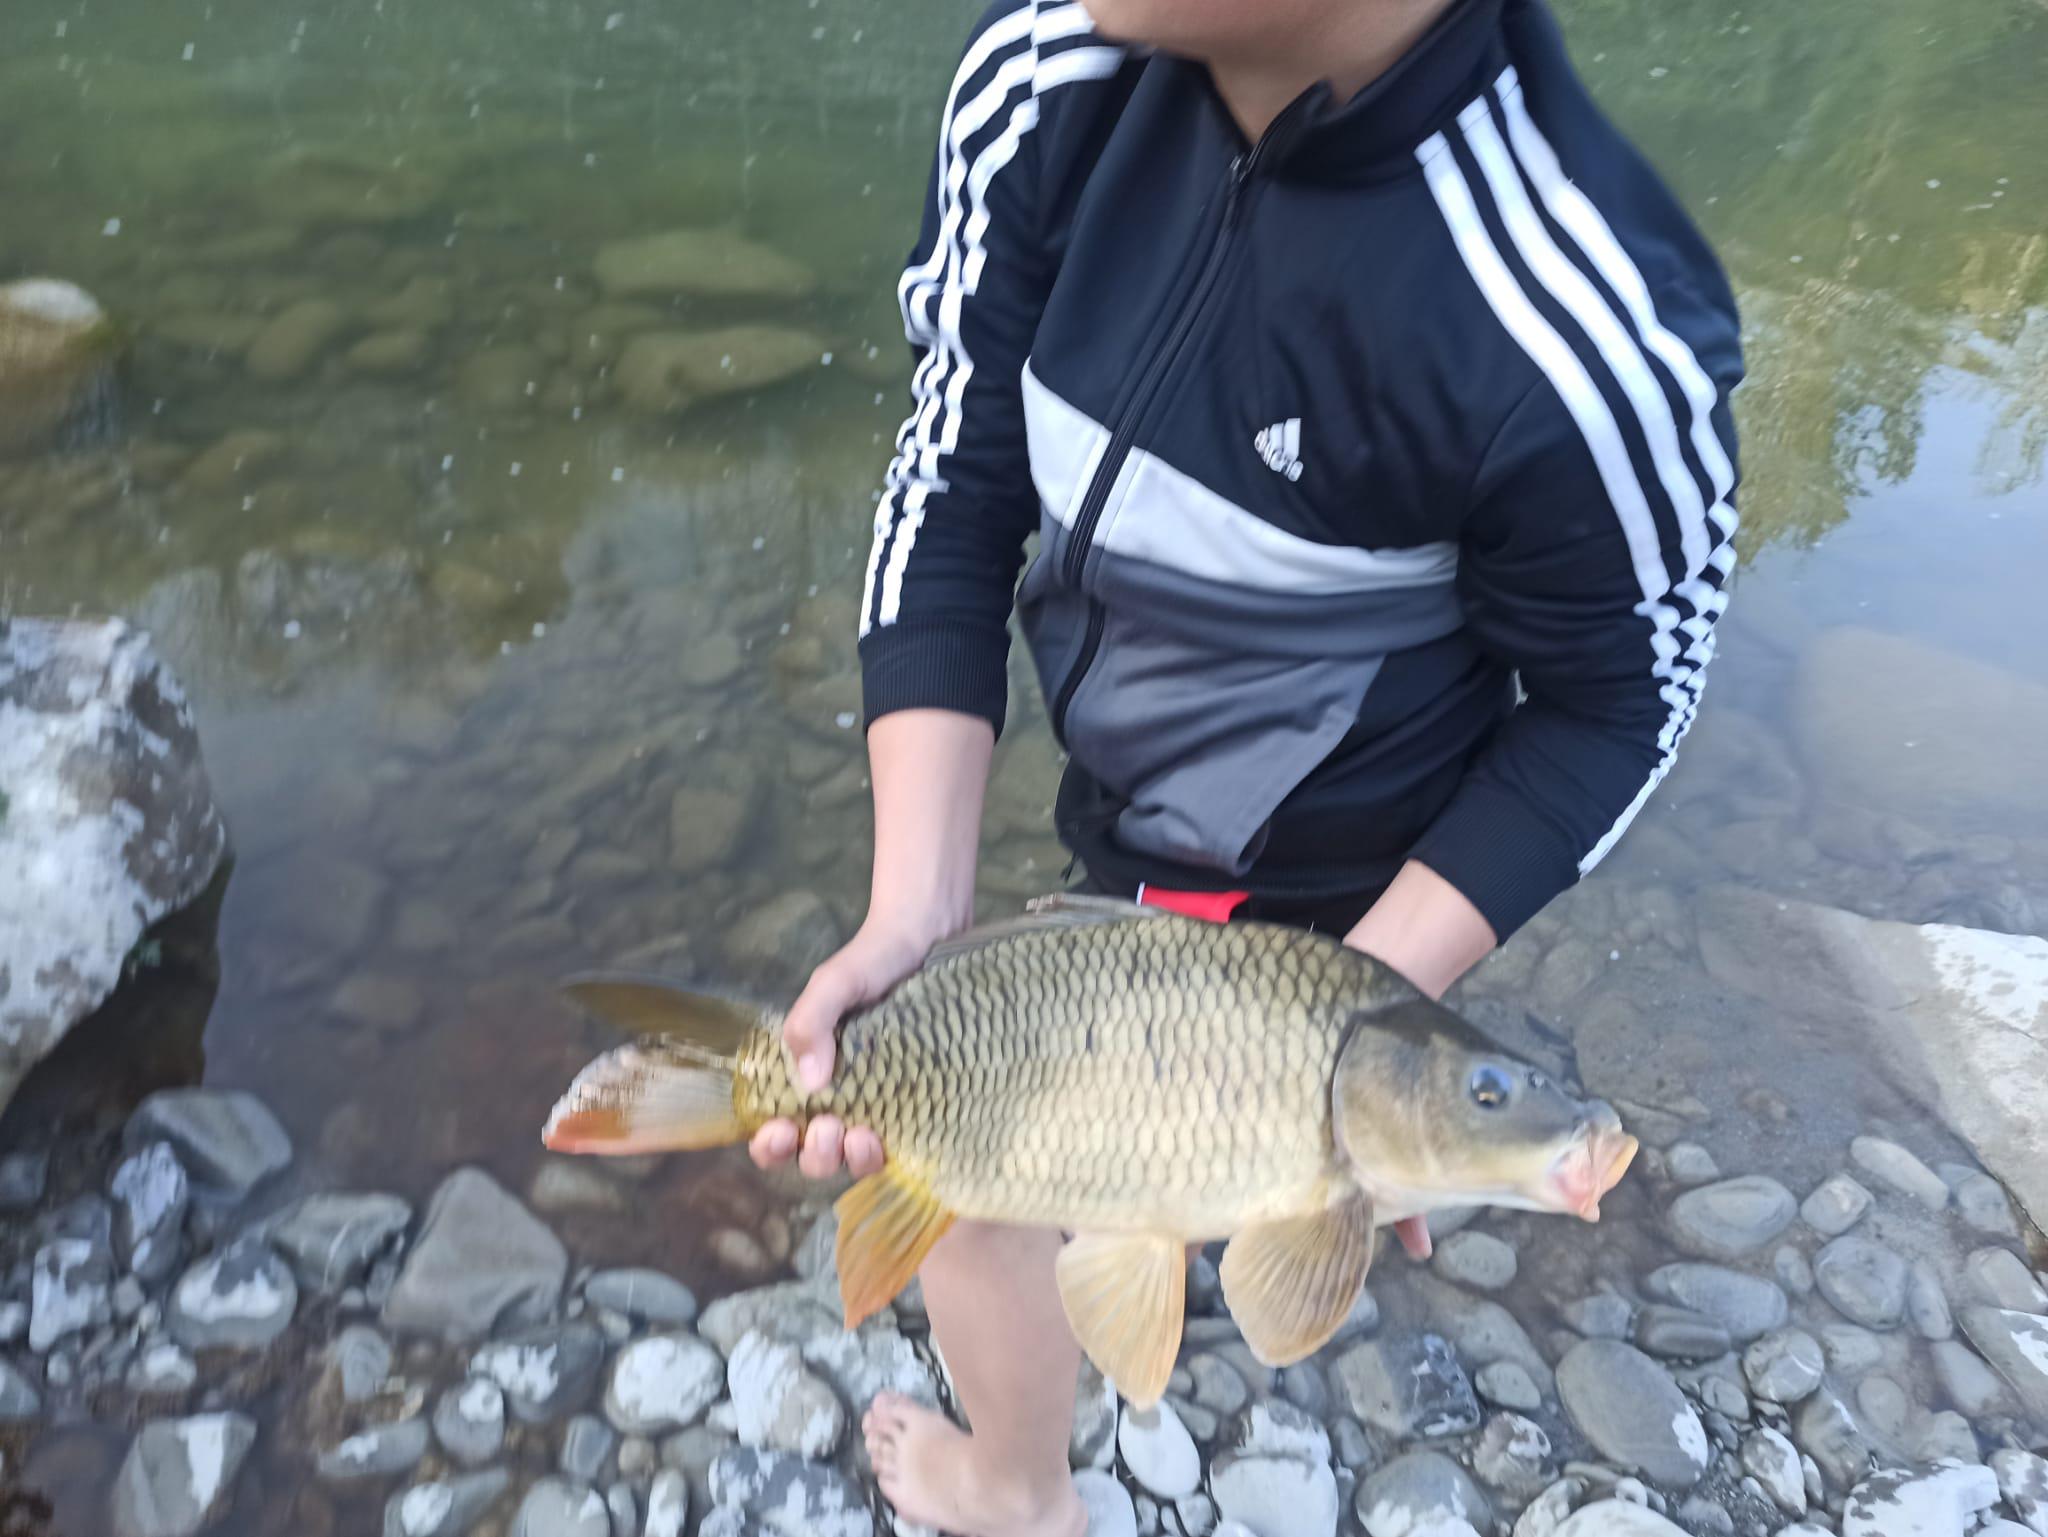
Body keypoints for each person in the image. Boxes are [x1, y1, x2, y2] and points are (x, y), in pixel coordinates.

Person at [751, 0, 1743, 1529]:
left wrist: (1363, 1007)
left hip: (1360, 900)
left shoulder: (1587, 331)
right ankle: (1019, 1484)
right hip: (1123, 827)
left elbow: (1620, 704)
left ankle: (1242, 1243)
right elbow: (954, 478)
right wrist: (915, 907)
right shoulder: (1047, 80)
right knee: (964, 1171)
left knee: (1289, 1182)